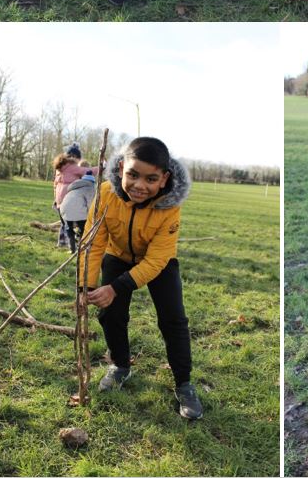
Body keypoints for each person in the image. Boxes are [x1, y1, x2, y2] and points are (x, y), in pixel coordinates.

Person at [79, 136, 202, 420]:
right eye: (133, 175)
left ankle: (184, 384)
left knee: (174, 320)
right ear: (122, 168)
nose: (140, 186)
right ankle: (120, 366)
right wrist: (86, 286)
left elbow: (157, 259)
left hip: (159, 264)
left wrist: (117, 287)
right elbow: (93, 242)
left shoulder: (170, 206)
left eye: (151, 179)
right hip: (117, 255)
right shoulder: (106, 194)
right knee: (111, 314)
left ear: (163, 179)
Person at [53, 145, 99, 249]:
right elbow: (89, 171)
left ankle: (62, 242)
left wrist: (56, 198)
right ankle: (79, 244)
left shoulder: (60, 167)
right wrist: (103, 167)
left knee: (65, 222)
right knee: (79, 222)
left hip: (59, 199)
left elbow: (55, 184)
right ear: (74, 156)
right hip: (70, 198)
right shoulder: (72, 167)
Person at [60, 168, 96, 254]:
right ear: (92, 181)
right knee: (83, 230)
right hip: (80, 211)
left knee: (69, 230)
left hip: (65, 209)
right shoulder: (90, 187)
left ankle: (72, 249)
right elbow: (90, 203)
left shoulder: (74, 186)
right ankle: (82, 250)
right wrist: (92, 215)